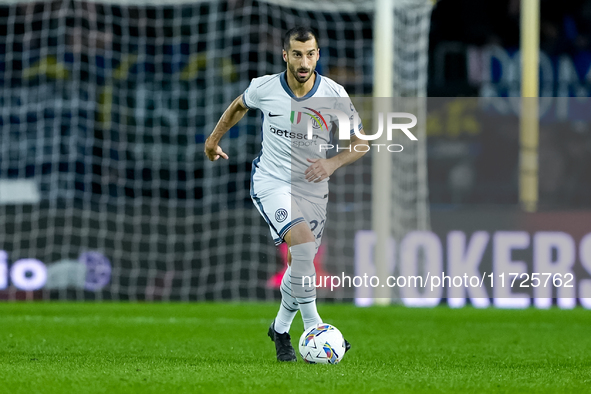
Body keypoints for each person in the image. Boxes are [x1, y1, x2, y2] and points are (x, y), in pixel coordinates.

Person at [204, 26, 368, 362]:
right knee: (305, 248)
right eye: (297, 54)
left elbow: (361, 143)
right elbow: (239, 105)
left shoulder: (333, 94)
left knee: (299, 264)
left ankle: (280, 329)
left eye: (310, 54)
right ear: (285, 55)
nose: (304, 61)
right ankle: (315, 328)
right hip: (271, 183)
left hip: (313, 188)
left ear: (318, 55)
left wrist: (333, 163)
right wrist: (213, 139)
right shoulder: (264, 87)